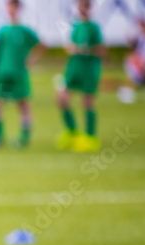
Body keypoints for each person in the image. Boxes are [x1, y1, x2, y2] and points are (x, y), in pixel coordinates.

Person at [0, 0, 43, 149]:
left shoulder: (24, 30)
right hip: (1, 73)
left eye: (14, 6)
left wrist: (30, 60)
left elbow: (41, 45)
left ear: (18, 8)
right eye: (9, 6)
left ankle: (24, 137)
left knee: (23, 103)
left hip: (19, 74)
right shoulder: (2, 30)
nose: (11, 9)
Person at [57, 0, 105, 153]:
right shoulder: (75, 26)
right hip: (73, 68)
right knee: (62, 98)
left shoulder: (93, 27)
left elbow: (102, 50)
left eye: (86, 5)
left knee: (87, 101)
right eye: (80, 5)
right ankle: (73, 132)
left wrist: (83, 50)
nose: (83, 8)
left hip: (89, 69)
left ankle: (90, 137)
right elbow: (71, 46)